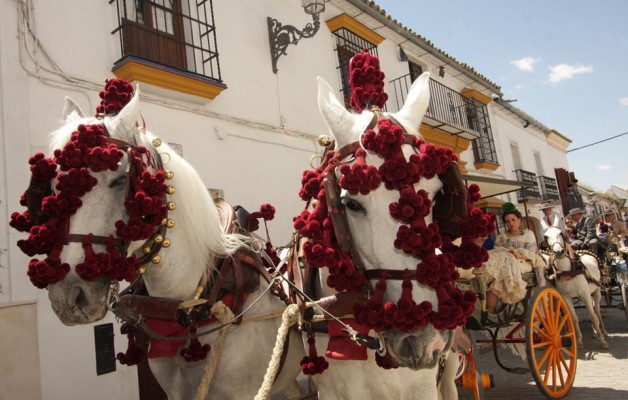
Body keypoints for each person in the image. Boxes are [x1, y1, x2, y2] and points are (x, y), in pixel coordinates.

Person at [482, 203, 546, 313]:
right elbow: (497, 251)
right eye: (508, 221)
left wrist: (520, 255)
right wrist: (509, 252)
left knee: (506, 266)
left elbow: (533, 254)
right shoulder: (502, 236)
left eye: (513, 220)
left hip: (524, 262)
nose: (511, 223)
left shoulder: (528, 234)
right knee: (497, 264)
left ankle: (492, 306)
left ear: (520, 220)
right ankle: (489, 308)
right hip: (504, 260)